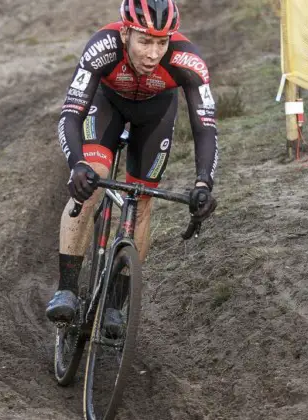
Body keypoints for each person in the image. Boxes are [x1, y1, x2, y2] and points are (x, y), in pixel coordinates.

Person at [46, 0, 219, 331]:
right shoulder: (103, 46)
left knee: (141, 201)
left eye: (161, 42)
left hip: (155, 116)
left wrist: (203, 183)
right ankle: (66, 289)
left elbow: (205, 126)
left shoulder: (187, 59)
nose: (153, 53)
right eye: (144, 41)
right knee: (92, 182)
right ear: (125, 32)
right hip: (106, 105)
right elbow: (71, 112)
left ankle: (115, 305)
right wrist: (76, 163)